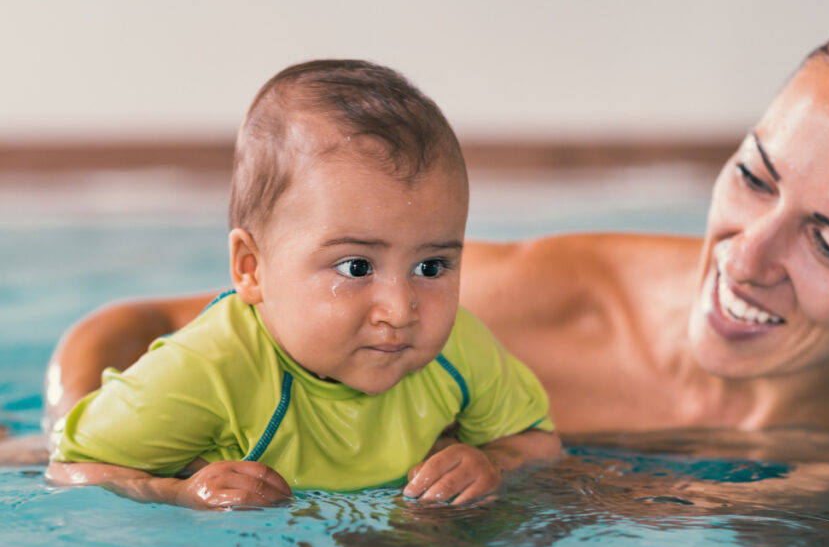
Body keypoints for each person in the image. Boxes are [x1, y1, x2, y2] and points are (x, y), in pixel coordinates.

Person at [39, 12, 829, 450]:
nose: (744, 257)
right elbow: (130, 329)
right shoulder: (558, 304)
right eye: (753, 179)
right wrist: (93, 454)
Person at [44, 60, 560, 509]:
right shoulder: (207, 371)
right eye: (356, 267)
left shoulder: (458, 347)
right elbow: (71, 468)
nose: (401, 309)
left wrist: (494, 462)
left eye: (431, 267)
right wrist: (179, 493)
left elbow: (537, 442)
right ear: (251, 268)